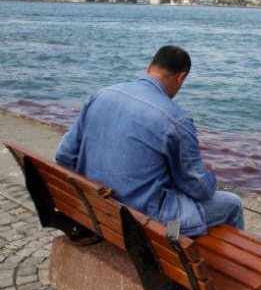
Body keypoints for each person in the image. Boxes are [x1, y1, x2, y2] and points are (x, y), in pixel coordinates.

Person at [55, 45, 244, 236]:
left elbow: (64, 155)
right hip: (148, 226)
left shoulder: (102, 95)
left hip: (97, 209)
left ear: (149, 67)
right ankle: (176, 247)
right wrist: (209, 175)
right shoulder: (176, 119)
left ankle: (177, 247)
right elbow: (197, 187)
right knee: (231, 204)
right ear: (181, 77)